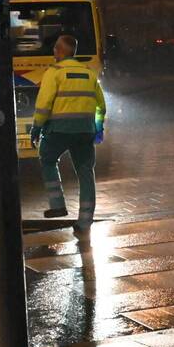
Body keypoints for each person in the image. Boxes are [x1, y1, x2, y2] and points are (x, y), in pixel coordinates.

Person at [31, 34, 106, 236]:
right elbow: (101, 105)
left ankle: (57, 204)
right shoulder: (89, 73)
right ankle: (84, 222)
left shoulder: (54, 72)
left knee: (47, 159)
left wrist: (36, 127)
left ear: (60, 51)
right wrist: (97, 129)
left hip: (59, 130)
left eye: (55, 48)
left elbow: (44, 104)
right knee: (85, 172)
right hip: (85, 131)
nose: (53, 52)